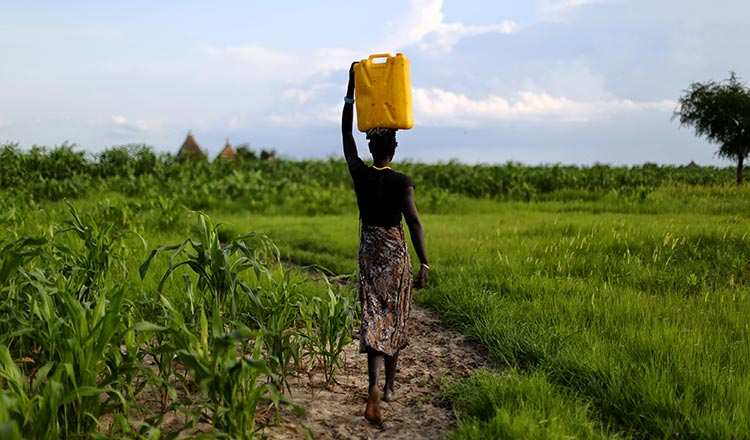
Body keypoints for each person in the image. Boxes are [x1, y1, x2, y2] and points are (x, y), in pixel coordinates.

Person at [341, 62, 430, 424]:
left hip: (370, 253)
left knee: (374, 320)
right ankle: (391, 389)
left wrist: (350, 93)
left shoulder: (360, 174)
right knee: (395, 318)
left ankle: (374, 386)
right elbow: (414, 222)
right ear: (392, 147)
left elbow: (346, 137)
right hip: (395, 255)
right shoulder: (402, 182)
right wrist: (423, 262)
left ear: (371, 146)